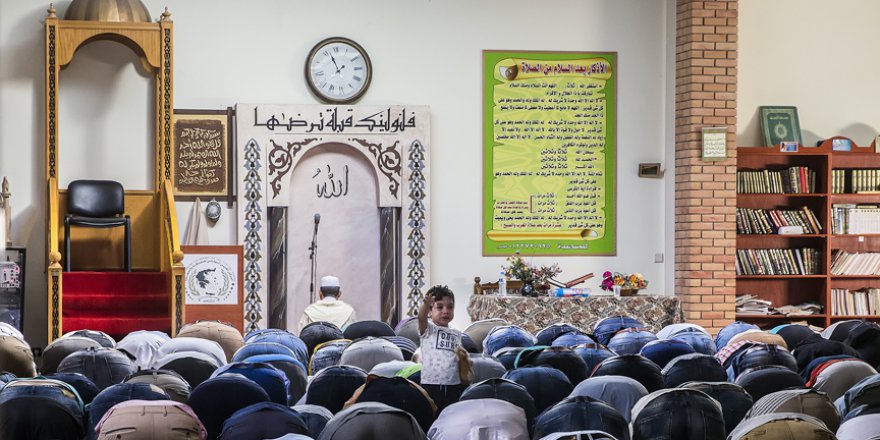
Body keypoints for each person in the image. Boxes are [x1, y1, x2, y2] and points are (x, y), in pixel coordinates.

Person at [418, 285, 468, 414]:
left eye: (450, 307)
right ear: (430, 311)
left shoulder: (457, 333)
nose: (445, 311)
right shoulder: (429, 330)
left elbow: (459, 357)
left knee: (450, 415)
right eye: (439, 307)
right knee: (431, 415)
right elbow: (421, 318)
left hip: (453, 384)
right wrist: (425, 305)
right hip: (431, 384)